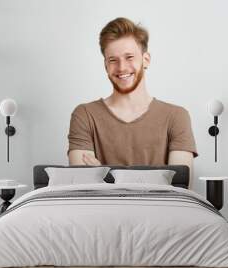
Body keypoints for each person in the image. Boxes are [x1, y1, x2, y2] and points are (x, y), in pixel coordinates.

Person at [67, 17, 198, 176]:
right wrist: (158, 179)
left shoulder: (177, 117)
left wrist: (103, 175)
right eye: (113, 60)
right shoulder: (85, 115)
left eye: (129, 57)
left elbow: (179, 192)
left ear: (146, 60)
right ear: (106, 66)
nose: (122, 67)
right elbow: (84, 187)